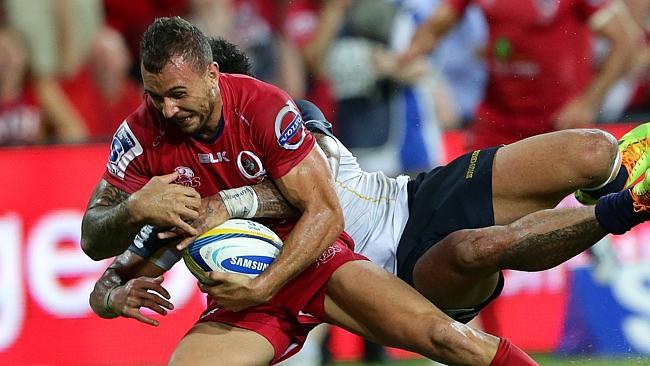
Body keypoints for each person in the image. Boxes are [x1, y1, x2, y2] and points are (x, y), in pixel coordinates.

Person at [81, 18, 535, 366]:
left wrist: (257, 267)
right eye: (155, 97)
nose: (168, 109)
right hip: (243, 298)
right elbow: (103, 266)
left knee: (446, 339)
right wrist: (131, 225)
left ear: (216, 78)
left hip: (316, 264)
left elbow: (324, 209)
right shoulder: (152, 146)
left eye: (178, 95)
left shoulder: (270, 110)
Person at [399, 0, 639, 150]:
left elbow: (625, 43)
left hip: (557, 124)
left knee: (556, 222)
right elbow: (437, 25)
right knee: (477, 218)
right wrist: (411, 51)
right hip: (496, 121)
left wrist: (588, 104)